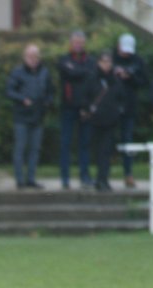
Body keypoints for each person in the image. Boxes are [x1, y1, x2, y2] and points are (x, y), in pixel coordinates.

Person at [6, 44, 54, 190]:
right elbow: (9, 91)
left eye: (35, 56)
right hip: (21, 116)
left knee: (35, 149)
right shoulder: (17, 72)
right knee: (20, 148)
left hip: (38, 116)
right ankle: (20, 180)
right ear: (24, 57)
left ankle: (31, 179)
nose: (33, 59)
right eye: (30, 56)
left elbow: (50, 91)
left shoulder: (44, 72)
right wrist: (23, 99)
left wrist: (48, 101)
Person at [58, 30, 95, 190]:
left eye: (80, 42)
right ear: (71, 43)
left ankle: (84, 176)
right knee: (65, 144)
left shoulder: (90, 60)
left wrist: (77, 71)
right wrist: (82, 71)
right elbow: (69, 72)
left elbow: (89, 76)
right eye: (75, 42)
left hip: (85, 108)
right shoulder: (64, 60)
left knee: (84, 144)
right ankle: (65, 178)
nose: (78, 45)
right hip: (68, 107)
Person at [82, 51, 125, 192]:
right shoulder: (92, 78)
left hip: (110, 120)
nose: (107, 65)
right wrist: (88, 109)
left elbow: (120, 97)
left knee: (106, 151)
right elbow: (86, 96)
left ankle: (103, 179)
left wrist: (117, 111)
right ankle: (96, 178)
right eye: (104, 62)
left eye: (109, 62)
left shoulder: (115, 80)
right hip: (95, 120)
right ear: (99, 63)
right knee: (96, 150)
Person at [113, 33, 148, 188]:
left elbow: (144, 81)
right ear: (118, 46)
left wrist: (130, 77)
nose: (126, 53)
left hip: (129, 107)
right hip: (112, 106)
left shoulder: (138, 61)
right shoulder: (111, 58)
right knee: (107, 141)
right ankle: (102, 176)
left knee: (127, 140)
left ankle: (128, 174)